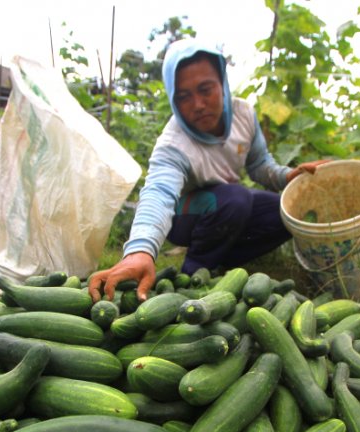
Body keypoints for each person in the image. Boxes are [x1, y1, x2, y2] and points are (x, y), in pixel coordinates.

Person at [88, 39, 329, 302]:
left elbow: (260, 164)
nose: (198, 104)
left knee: (287, 212)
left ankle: (222, 260)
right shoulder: (173, 144)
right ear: (173, 100)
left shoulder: (244, 115)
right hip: (184, 216)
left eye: (206, 89)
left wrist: (287, 176)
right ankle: (194, 273)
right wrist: (140, 250)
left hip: (226, 206)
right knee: (235, 198)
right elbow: (159, 193)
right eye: (184, 96)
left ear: (223, 84)